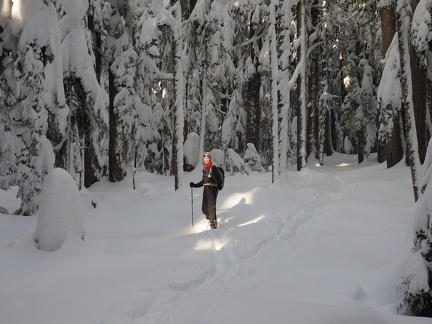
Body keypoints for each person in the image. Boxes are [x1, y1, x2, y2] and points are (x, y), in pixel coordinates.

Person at [190, 152, 222, 229]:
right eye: (204, 158)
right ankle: (210, 217)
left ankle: (213, 224)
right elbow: (204, 181)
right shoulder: (205, 168)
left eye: (207, 158)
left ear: (210, 158)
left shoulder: (213, 168)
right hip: (206, 188)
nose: (206, 160)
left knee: (211, 206)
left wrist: (219, 187)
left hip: (212, 188)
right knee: (204, 208)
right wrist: (195, 185)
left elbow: (218, 179)